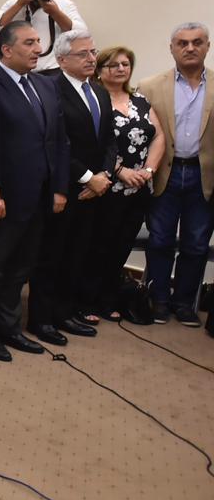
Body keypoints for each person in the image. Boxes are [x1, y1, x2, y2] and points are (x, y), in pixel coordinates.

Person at [0, 22, 69, 362]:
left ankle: (9, 328)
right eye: (29, 42)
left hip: (40, 194)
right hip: (3, 194)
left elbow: (58, 140)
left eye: (38, 41)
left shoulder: (45, 85)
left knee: (20, 266)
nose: (38, 48)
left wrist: (59, 188)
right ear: (7, 50)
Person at [26, 29, 116, 344]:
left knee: (78, 253)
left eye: (93, 52)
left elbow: (109, 140)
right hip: (64, 186)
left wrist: (104, 175)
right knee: (52, 255)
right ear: (62, 59)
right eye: (83, 54)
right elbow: (56, 141)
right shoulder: (51, 89)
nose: (91, 58)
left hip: (95, 189)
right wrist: (88, 177)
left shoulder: (99, 92)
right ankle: (41, 319)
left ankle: (65, 312)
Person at [137, 22, 214, 326]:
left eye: (197, 42)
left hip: (203, 177)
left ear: (207, 46)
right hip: (164, 174)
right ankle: (158, 300)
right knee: (160, 240)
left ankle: (183, 303)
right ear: (172, 49)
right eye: (182, 43)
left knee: (196, 243)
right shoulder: (149, 86)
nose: (190, 48)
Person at [90, 46, 163, 319]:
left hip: (140, 187)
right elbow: (93, 144)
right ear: (100, 70)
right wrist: (120, 170)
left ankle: (108, 301)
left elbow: (159, 136)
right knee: (99, 246)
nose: (121, 69)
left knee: (122, 246)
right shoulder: (96, 100)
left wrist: (149, 169)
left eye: (125, 64)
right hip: (108, 186)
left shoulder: (140, 100)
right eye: (113, 65)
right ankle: (87, 302)